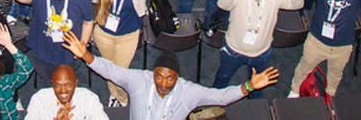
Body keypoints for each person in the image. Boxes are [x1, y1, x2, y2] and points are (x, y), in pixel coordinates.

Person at [60, 33, 279, 120]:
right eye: (160, 76)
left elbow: (220, 98)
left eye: (170, 78)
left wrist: (249, 86)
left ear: (177, 77)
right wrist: (86, 55)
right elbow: (111, 71)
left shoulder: (189, 92)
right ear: (153, 73)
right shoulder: (139, 80)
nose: (163, 82)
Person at [71, 0, 163, 107]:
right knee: (109, 69)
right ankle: (118, 97)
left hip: (128, 36)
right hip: (103, 34)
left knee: (119, 73)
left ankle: (122, 98)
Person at [212, 0, 303, 93]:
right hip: (233, 50)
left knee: (257, 88)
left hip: (261, 53)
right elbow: (222, 5)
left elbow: (296, 5)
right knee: (222, 78)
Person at [13, 0, 95, 82]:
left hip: (69, 51)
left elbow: (88, 22)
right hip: (43, 48)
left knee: (67, 82)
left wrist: (82, 46)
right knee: (48, 80)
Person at [25, 64, 108, 120]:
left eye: (68, 85)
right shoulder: (39, 99)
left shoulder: (88, 98)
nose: (63, 90)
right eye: (58, 85)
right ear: (52, 84)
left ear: (76, 83)